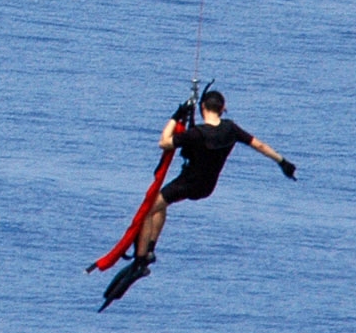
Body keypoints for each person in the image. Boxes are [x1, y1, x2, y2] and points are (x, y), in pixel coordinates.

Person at [100, 86, 295, 308]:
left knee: (147, 210)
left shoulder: (196, 134)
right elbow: (258, 145)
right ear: (222, 109)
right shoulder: (230, 129)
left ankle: (141, 258)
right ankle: (151, 248)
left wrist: (175, 117)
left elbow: (164, 141)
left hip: (188, 184)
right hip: (207, 186)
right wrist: (282, 162)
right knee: (162, 205)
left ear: (203, 108)